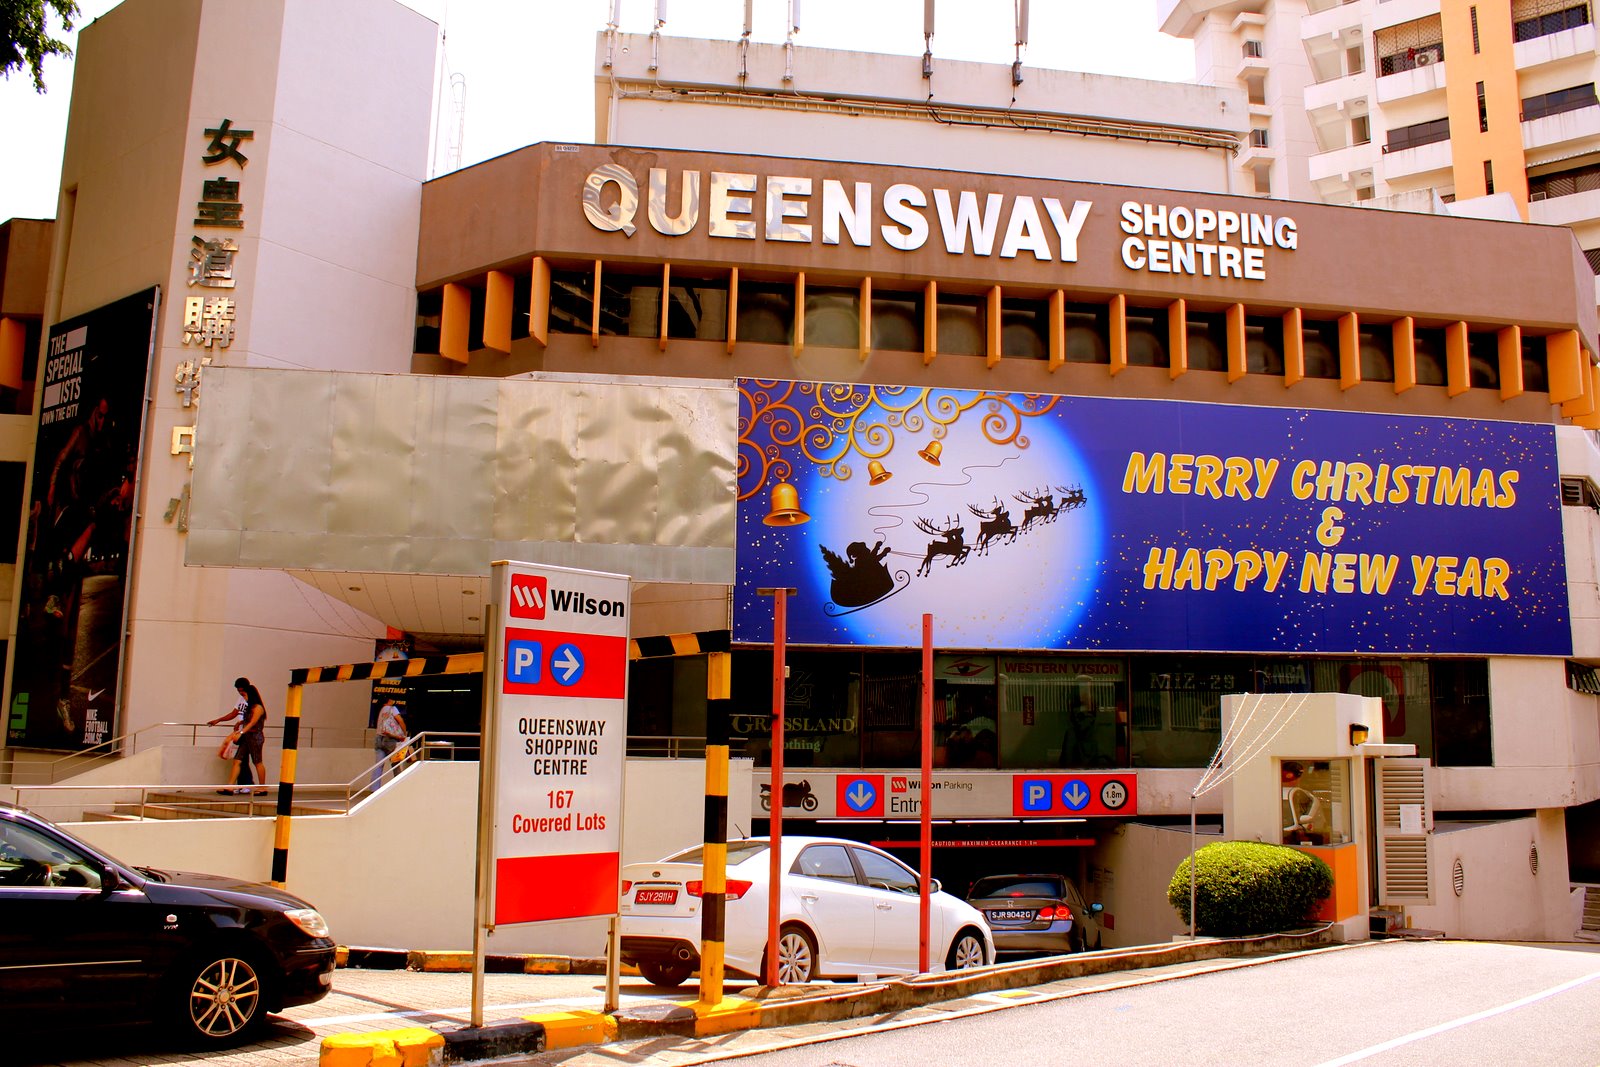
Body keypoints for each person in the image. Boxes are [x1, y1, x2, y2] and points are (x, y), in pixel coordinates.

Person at [217, 677, 269, 796]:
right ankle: (230, 786)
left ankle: (262, 788)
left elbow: (252, 723)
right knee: (237, 760)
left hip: (255, 737)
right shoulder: (250, 707)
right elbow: (246, 721)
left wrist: (240, 733)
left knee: (257, 762)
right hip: (246, 737)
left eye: (244, 694)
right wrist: (240, 724)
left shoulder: (258, 708)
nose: (243, 696)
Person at [205, 699, 254, 788]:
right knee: (240, 760)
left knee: (241, 760)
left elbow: (253, 719)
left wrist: (241, 727)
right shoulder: (240, 700)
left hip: (246, 733)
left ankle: (246, 784)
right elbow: (233, 713)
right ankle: (241, 784)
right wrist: (218, 720)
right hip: (240, 733)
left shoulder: (253, 702)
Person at [371, 697, 409, 789]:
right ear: (388, 701)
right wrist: (404, 734)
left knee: (378, 765)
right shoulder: (393, 709)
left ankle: (374, 789)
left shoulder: (380, 711)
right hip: (390, 740)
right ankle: (399, 787)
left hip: (379, 739)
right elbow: (400, 721)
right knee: (395, 763)